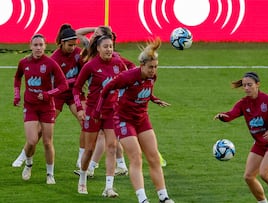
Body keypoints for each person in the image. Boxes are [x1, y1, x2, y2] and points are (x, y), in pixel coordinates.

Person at [93, 37, 174, 203]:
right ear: (142, 65)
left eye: (156, 67)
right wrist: (98, 111)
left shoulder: (152, 77)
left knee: (153, 157)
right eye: (150, 67)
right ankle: (142, 199)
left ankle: (163, 197)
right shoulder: (127, 77)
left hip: (142, 118)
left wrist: (154, 98)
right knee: (136, 157)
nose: (153, 70)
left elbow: (146, 90)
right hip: (123, 119)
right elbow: (106, 89)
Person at [11, 24, 86, 169]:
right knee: (39, 131)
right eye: (69, 45)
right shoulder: (54, 59)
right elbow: (57, 82)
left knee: (85, 122)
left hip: (74, 93)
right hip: (57, 94)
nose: (72, 47)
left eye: (74, 44)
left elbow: (84, 71)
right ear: (62, 43)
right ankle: (23, 154)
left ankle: (81, 158)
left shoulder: (78, 53)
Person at [214, 72, 268, 203]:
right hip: (260, 143)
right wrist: (222, 116)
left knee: (264, 173)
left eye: (249, 85)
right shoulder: (243, 103)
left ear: (257, 85)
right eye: (244, 86)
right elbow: (231, 114)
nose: (246, 88)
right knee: (249, 176)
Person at [73, 34, 129, 197]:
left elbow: (126, 83)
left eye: (111, 46)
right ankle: (83, 178)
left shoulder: (118, 64)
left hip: (111, 112)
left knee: (111, 146)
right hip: (93, 112)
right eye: (105, 46)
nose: (109, 49)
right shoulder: (90, 66)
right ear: (98, 48)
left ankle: (108, 187)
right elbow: (76, 88)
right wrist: (80, 109)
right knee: (89, 149)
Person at [13, 34, 68, 184]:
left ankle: (50, 174)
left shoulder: (50, 64)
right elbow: (17, 78)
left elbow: (64, 85)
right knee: (31, 140)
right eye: (35, 45)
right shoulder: (23, 63)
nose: (38, 48)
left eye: (41, 45)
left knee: (47, 142)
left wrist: (48, 94)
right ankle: (29, 164)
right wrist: (17, 95)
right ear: (30, 45)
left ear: (45, 46)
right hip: (30, 106)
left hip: (47, 107)